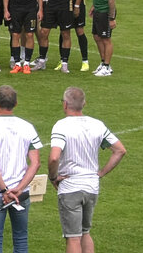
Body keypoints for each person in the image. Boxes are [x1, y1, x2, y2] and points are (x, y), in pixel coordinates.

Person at [48, 87, 127, 253]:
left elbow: (54, 157)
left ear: (65, 105)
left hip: (70, 186)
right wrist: (101, 173)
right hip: (91, 186)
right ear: (84, 103)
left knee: (73, 237)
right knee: (85, 233)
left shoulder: (61, 126)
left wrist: (53, 177)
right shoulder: (97, 124)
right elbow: (120, 150)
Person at [0, 85, 42, 253]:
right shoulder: (27, 127)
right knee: (21, 238)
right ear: (16, 103)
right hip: (21, 194)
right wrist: (18, 189)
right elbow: (35, 163)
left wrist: (5, 190)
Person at [3, 0, 43, 74]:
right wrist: (6, 9)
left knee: (29, 34)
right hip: (15, 8)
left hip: (30, 8)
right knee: (15, 34)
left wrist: (40, 9)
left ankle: (26, 63)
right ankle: (16, 63)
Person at [86, 0, 116, 76]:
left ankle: (107, 67)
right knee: (97, 37)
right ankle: (103, 63)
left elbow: (111, 0)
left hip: (105, 12)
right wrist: (94, 6)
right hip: (98, 10)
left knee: (106, 39)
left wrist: (112, 18)